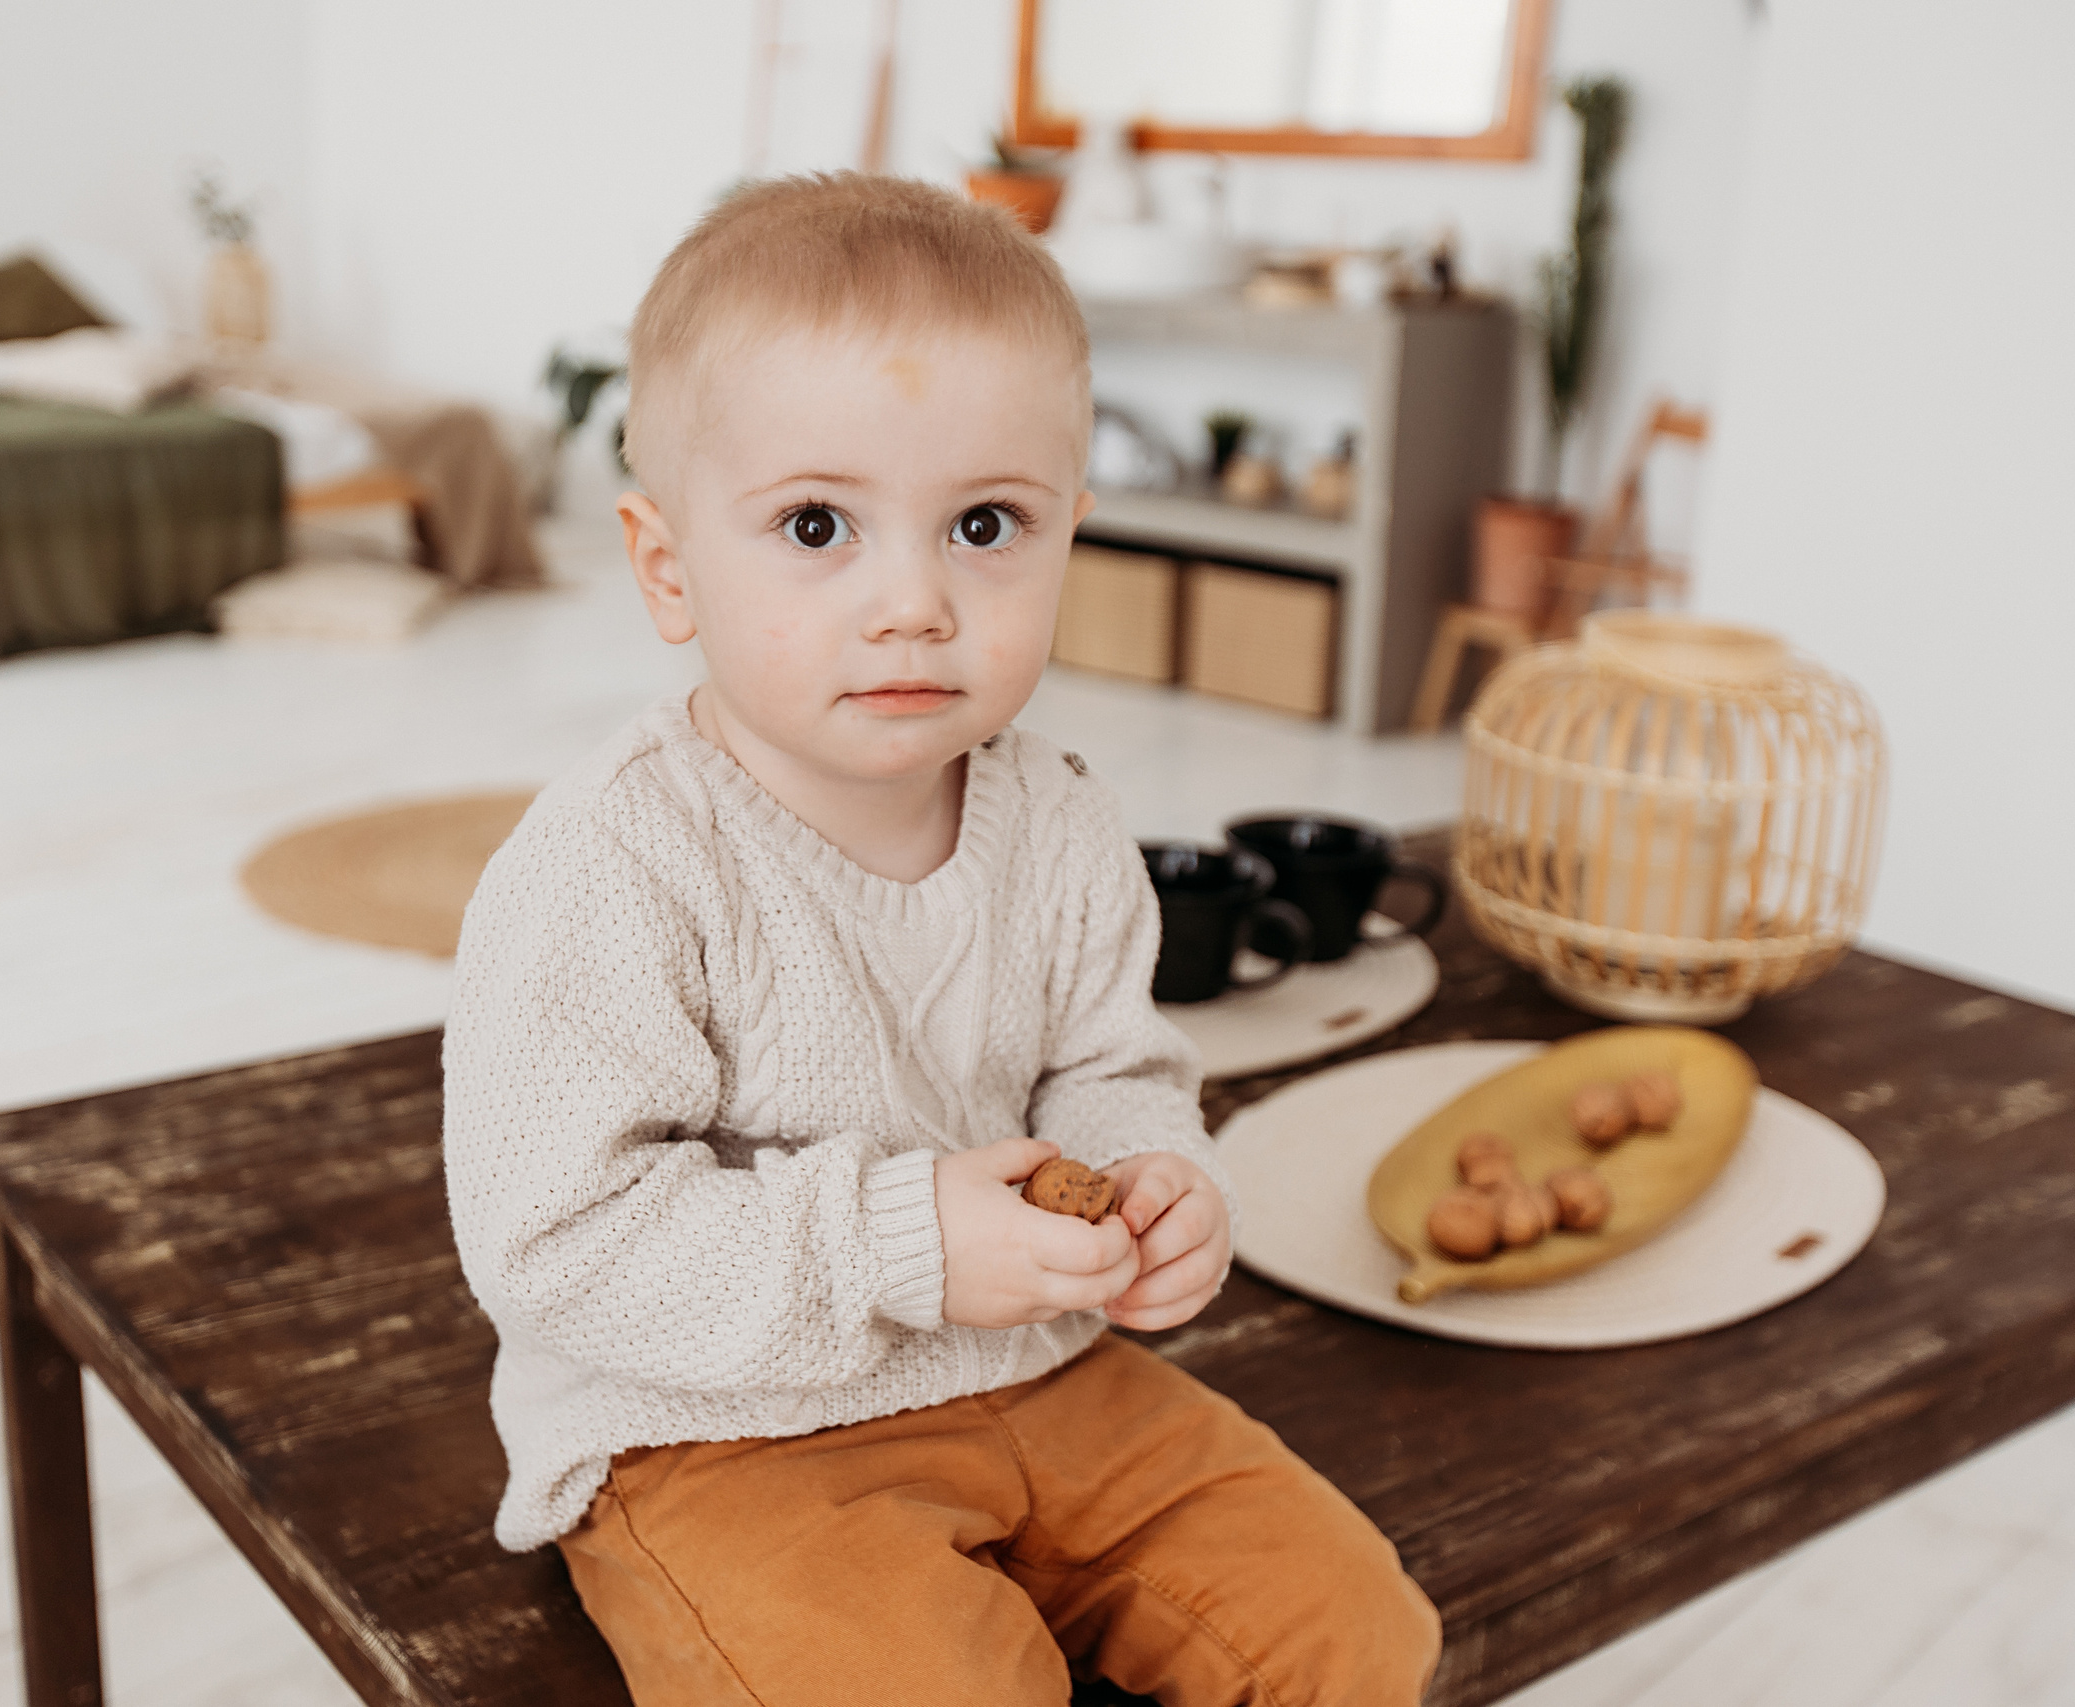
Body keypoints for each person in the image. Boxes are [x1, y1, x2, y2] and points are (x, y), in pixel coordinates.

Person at [442, 172, 1439, 1705]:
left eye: (985, 524)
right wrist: (902, 1244)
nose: (914, 600)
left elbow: (1113, 1068)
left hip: (1043, 1365)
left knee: (1353, 1629)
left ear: (1068, 537)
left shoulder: (1061, 820)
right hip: (722, 1429)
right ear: (667, 565)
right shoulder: (617, 863)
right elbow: (553, 1245)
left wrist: (1160, 1182)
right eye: (817, 525)